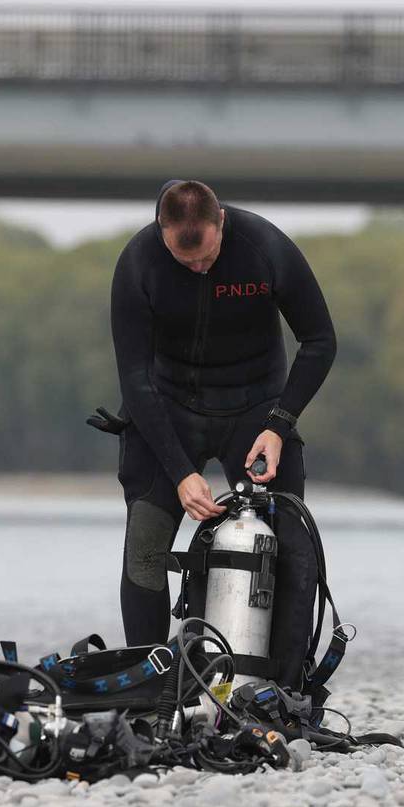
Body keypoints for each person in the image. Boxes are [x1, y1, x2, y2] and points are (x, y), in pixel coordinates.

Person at [106, 179, 337, 657]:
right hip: (167, 410)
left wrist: (279, 425)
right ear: (161, 230)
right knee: (146, 551)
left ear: (221, 224)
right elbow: (134, 377)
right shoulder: (138, 264)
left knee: (293, 553)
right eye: (184, 260)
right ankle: (152, 692)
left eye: (207, 257)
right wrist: (180, 473)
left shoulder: (264, 248)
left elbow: (320, 341)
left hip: (257, 411)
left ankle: (283, 692)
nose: (197, 267)